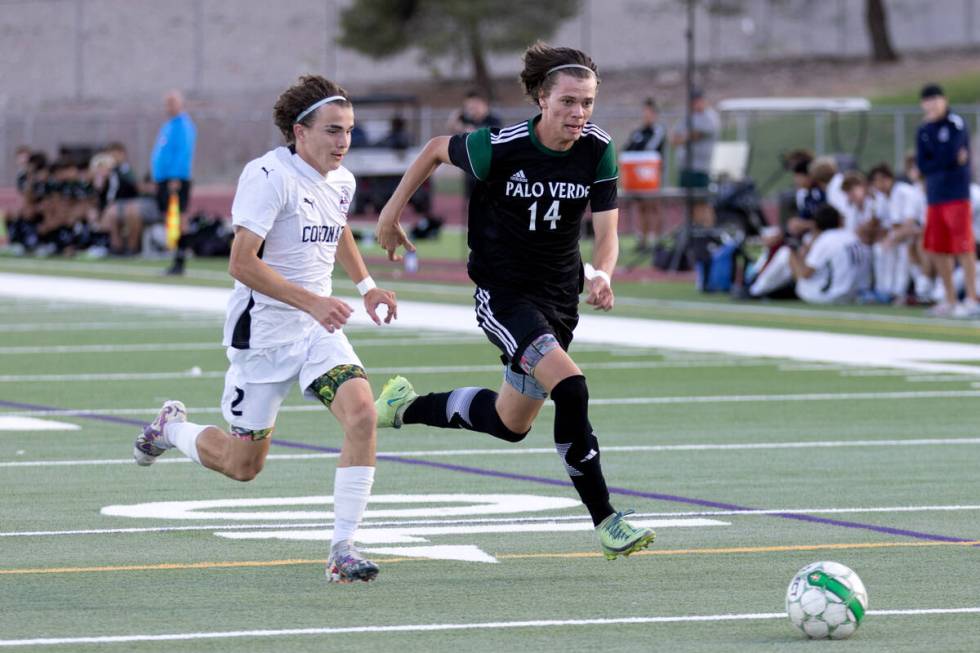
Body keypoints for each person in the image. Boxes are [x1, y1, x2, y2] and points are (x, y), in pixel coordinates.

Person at [374, 43, 655, 561]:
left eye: (587, 102)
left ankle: (402, 407)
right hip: (503, 295)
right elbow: (437, 148)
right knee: (571, 389)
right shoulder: (498, 147)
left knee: (509, 424)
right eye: (568, 101)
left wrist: (603, 274)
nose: (579, 113)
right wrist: (392, 212)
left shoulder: (598, 148)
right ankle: (606, 519)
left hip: (559, 298)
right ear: (542, 99)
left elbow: (607, 231)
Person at [132, 75, 398, 583]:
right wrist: (313, 302)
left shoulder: (342, 180)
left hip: (317, 332)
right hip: (263, 337)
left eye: (349, 131)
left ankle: (342, 549)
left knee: (363, 414)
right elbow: (241, 263)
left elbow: (336, 225)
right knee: (242, 466)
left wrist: (365, 286)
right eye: (333, 131)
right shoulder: (267, 175)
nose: (344, 142)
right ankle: (170, 428)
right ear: (300, 132)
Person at [916, 83, 979, 318]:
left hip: (956, 194)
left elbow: (952, 153)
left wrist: (942, 161)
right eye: (927, 100)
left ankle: (972, 298)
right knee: (938, 248)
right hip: (935, 195)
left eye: (935, 99)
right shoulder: (924, 129)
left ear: (944, 100)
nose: (931, 105)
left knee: (963, 245)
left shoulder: (955, 123)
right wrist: (944, 162)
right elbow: (924, 163)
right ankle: (950, 298)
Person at [151, 89, 197, 275]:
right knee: (171, 220)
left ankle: (179, 261)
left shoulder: (183, 126)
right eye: (167, 103)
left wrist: (176, 177)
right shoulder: (169, 125)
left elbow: (183, 153)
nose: (169, 106)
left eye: (172, 102)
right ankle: (174, 258)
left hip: (175, 180)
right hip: (164, 179)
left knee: (179, 220)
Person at [789, 205, 872, 304]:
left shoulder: (824, 239)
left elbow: (806, 273)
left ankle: (766, 288)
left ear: (816, 225)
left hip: (832, 296)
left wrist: (795, 255)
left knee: (786, 253)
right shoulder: (852, 236)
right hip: (857, 293)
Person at [670, 87, 718, 227]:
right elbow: (674, 138)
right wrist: (685, 137)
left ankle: (706, 231)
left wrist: (684, 137)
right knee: (689, 204)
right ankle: (695, 230)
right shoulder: (688, 117)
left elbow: (696, 135)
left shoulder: (709, 117)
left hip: (700, 169)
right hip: (686, 169)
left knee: (702, 203)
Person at [624, 97, 667, 251]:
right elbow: (628, 148)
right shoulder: (638, 132)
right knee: (641, 207)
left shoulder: (658, 131)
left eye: (649, 112)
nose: (646, 116)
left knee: (653, 207)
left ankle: (655, 239)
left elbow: (649, 149)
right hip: (638, 177)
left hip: (652, 176)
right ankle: (642, 240)